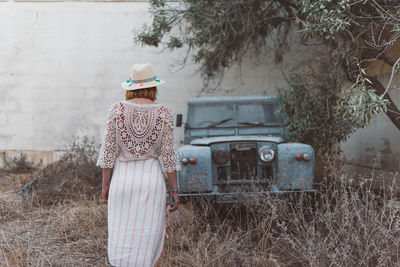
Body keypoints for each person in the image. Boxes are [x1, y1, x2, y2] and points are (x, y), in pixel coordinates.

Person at [96, 63, 181, 267]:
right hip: (151, 181)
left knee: (121, 234)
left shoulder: (117, 109)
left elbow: (108, 153)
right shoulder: (163, 112)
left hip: (122, 180)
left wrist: (105, 186)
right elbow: (168, 157)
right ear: (153, 87)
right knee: (147, 236)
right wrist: (175, 189)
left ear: (130, 88)